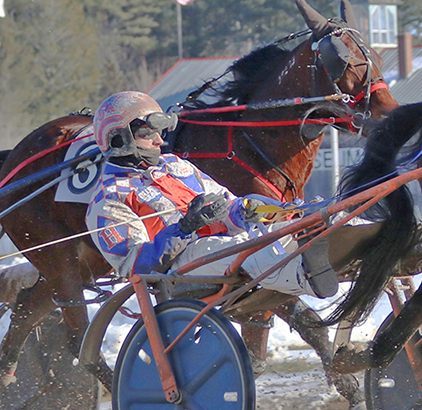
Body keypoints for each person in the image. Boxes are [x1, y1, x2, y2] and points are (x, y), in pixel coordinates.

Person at [85, 91, 339, 298]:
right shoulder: (108, 199)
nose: (159, 142)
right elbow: (134, 265)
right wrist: (185, 228)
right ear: (119, 139)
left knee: (290, 228)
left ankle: (335, 238)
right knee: (244, 249)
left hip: (225, 243)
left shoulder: (176, 165)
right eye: (148, 134)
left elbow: (226, 205)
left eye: (160, 133)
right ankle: (309, 279)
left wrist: (246, 210)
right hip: (182, 268)